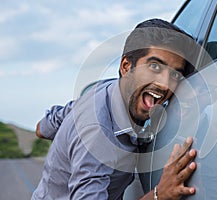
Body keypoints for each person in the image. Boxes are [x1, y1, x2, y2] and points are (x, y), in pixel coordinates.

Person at [32, 18, 200, 200]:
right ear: (126, 66)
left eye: (175, 74)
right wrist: (159, 195)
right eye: (154, 66)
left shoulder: (106, 90)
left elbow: (43, 128)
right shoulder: (98, 132)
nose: (165, 84)